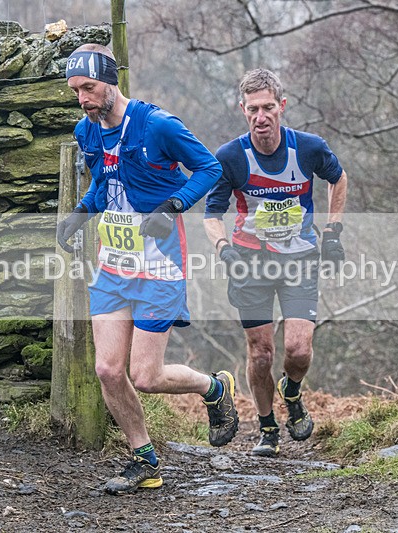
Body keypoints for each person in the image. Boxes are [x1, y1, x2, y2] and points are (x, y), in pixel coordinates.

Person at [56, 44, 240, 494]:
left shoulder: (156, 125)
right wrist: (81, 212)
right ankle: (144, 459)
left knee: (146, 376)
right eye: (76, 90)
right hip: (114, 266)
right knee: (107, 370)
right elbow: (104, 180)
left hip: (159, 264)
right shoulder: (87, 130)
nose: (82, 98)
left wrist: (174, 203)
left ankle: (214, 389)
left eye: (89, 87)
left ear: (111, 81)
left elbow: (210, 168)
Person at [203, 68, 347, 457]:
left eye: (268, 107)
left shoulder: (309, 148)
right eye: (253, 109)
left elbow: (339, 178)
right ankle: (267, 427)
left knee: (298, 350)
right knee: (261, 352)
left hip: (299, 258)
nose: (261, 116)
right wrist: (223, 250)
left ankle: (292, 391)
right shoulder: (231, 157)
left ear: (282, 107)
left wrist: (332, 232)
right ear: (243, 110)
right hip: (250, 262)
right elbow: (211, 213)